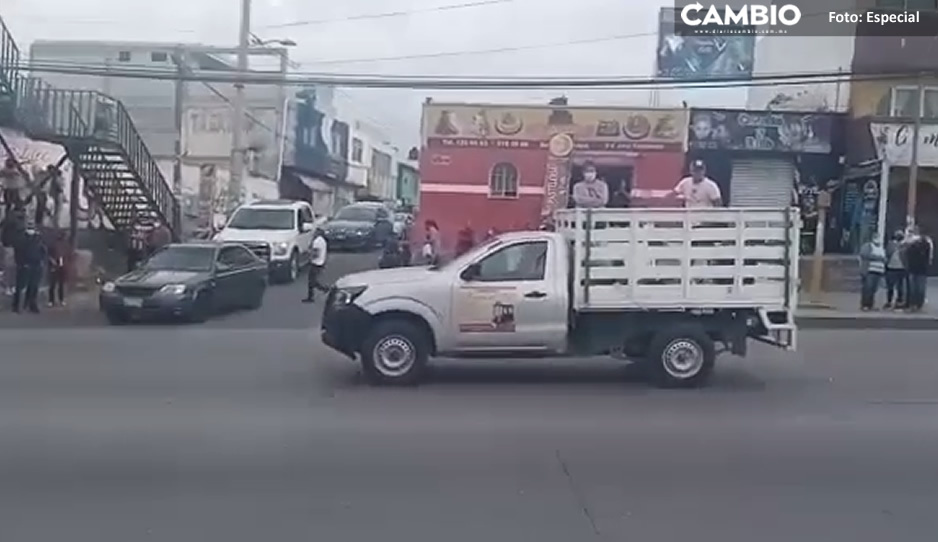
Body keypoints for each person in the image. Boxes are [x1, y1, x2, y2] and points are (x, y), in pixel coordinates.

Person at [11, 220, 45, 314]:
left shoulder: (38, 238)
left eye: (32, 226)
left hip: (36, 265)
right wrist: (21, 263)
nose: (31, 229)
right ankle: (17, 306)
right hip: (24, 265)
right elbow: (18, 252)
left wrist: (41, 261)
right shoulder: (21, 238)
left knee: (34, 286)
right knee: (20, 287)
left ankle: (32, 304)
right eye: (29, 226)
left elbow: (43, 250)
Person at [904, 226, 933, 313]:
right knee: (914, 288)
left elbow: (929, 254)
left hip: (920, 269)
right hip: (914, 268)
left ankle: (917, 305)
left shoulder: (925, 242)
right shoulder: (910, 243)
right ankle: (914, 305)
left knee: (918, 288)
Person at [858, 235, 886, 311]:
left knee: (873, 289)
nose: (878, 240)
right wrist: (878, 257)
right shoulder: (868, 246)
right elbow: (864, 254)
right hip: (869, 270)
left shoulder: (881, 248)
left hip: (878, 271)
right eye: (876, 238)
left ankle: (871, 305)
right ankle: (865, 305)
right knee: (868, 288)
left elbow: (884, 258)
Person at [303, 227, 329, 303]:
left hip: (316, 262)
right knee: (312, 281)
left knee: (312, 281)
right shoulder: (323, 241)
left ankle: (323, 289)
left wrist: (309, 258)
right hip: (321, 262)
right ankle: (312, 296)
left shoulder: (317, 241)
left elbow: (316, 253)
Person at [884, 230, 907, 310]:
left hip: (901, 268)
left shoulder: (904, 246)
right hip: (891, 268)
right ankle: (889, 302)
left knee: (900, 287)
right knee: (890, 287)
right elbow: (887, 254)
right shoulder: (891, 245)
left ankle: (899, 302)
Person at [46, 230, 69, 307]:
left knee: (61, 284)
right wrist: (52, 261)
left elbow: (67, 255)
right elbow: (48, 255)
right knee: (53, 284)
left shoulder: (65, 245)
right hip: (54, 265)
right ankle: (51, 300)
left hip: (63, 266)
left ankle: (61, 299)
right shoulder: (53, 244)